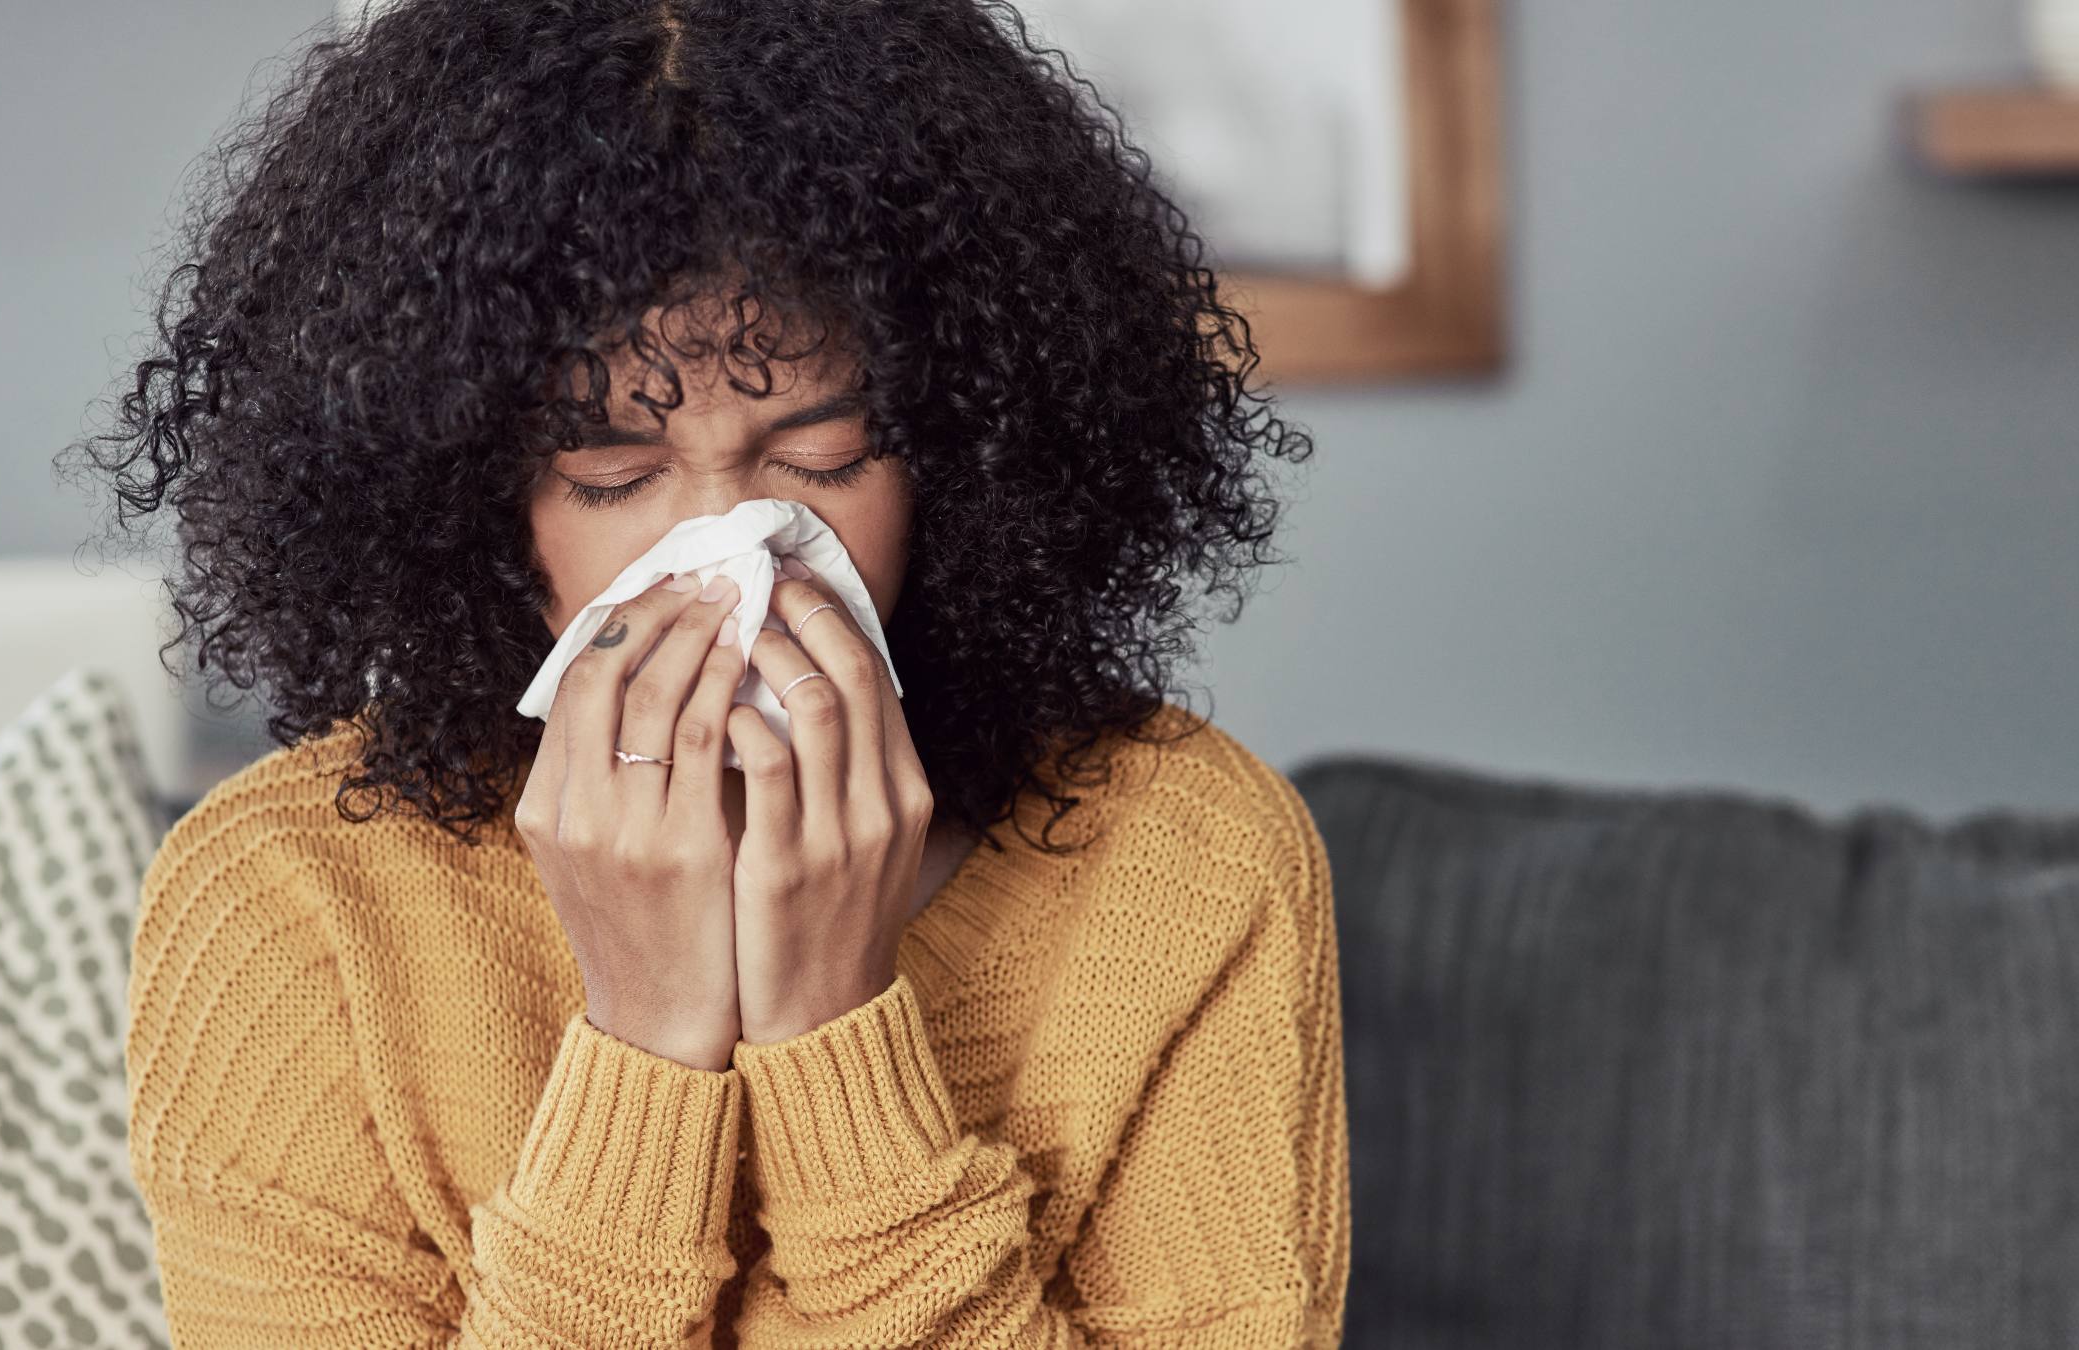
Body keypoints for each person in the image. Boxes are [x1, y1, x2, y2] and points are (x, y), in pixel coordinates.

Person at [67, 0, 1347, 1343]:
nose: (729, 549)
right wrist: (644, 1038)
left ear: (962, 453)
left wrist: (835, 1029)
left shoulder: (1193, 859)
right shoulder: (286, 903)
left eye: (825, 455)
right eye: (614, 473)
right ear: (471, 497)